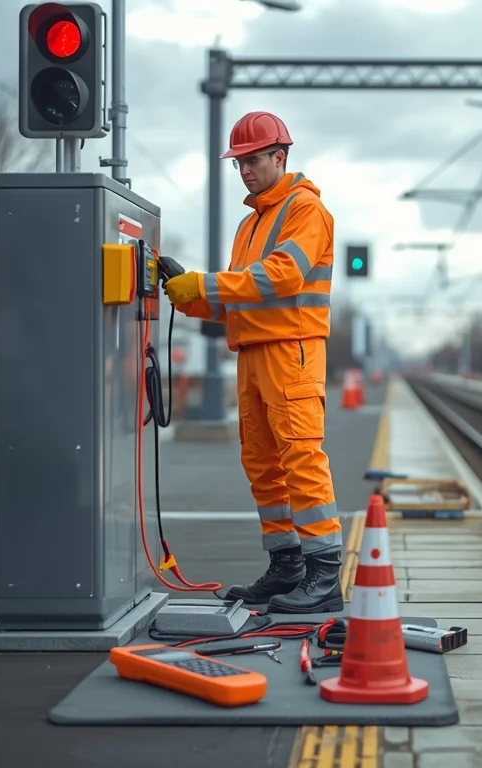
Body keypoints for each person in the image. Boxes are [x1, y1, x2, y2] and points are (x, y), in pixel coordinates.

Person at [162, 110, 343, 614]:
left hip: (291, 351)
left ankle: (325, 574)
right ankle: (287, 565)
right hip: (253, 353)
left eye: (254, 160)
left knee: (301, 459)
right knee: (263, 465)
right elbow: (238, 299)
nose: (245, 170)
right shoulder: (250, 224)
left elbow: (281, 276)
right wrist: (187, 294)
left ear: (280, 157)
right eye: (239, 162)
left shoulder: (306, 210)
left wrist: (204, 283)